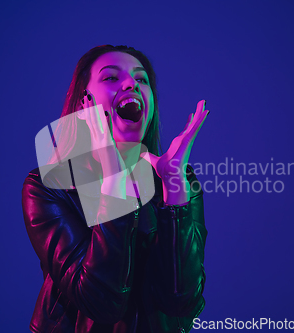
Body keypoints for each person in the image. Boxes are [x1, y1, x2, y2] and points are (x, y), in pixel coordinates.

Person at [22, 45, 209, 333]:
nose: (131, 84)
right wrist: (113, 176)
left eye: (141, 79)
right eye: (110, 78)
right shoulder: (49, 186)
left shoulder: (178, 182)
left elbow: (182, 302)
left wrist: (174, 189)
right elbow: (101, 303)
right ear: (84, 103)